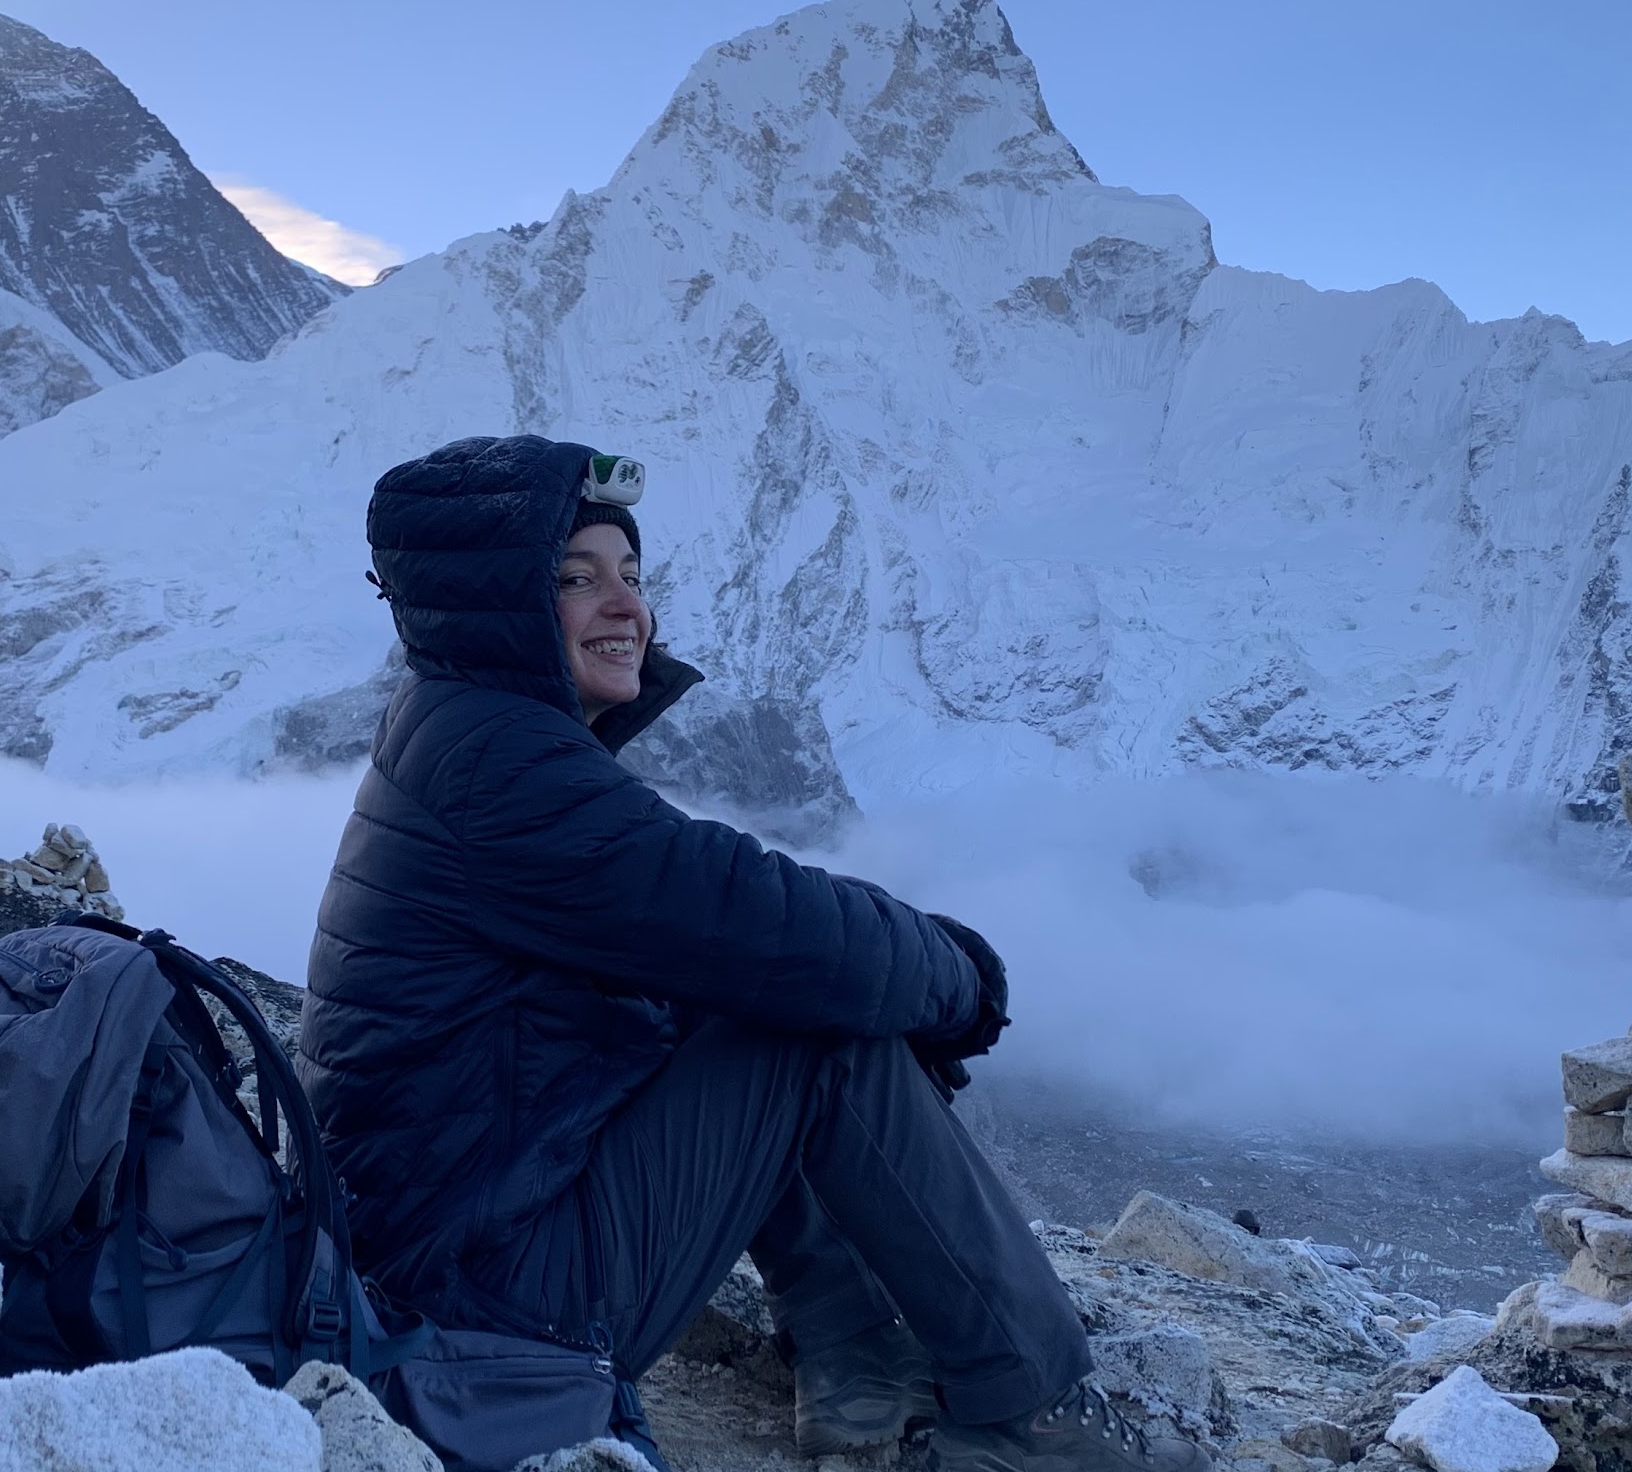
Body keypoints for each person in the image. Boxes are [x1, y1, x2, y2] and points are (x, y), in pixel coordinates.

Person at [301, 435, 1203, 1472]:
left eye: (632, 578)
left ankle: (858, 1359)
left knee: (744, 993)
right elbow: (773, 926)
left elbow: (718, 925)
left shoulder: (466, 730)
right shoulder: (504, 768)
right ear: (497, 604)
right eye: (575, 579)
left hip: (447, 1248)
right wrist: (962, 980)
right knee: (814, 1025)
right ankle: (1022, 1412)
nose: (625, 607)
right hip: (489, 1303)